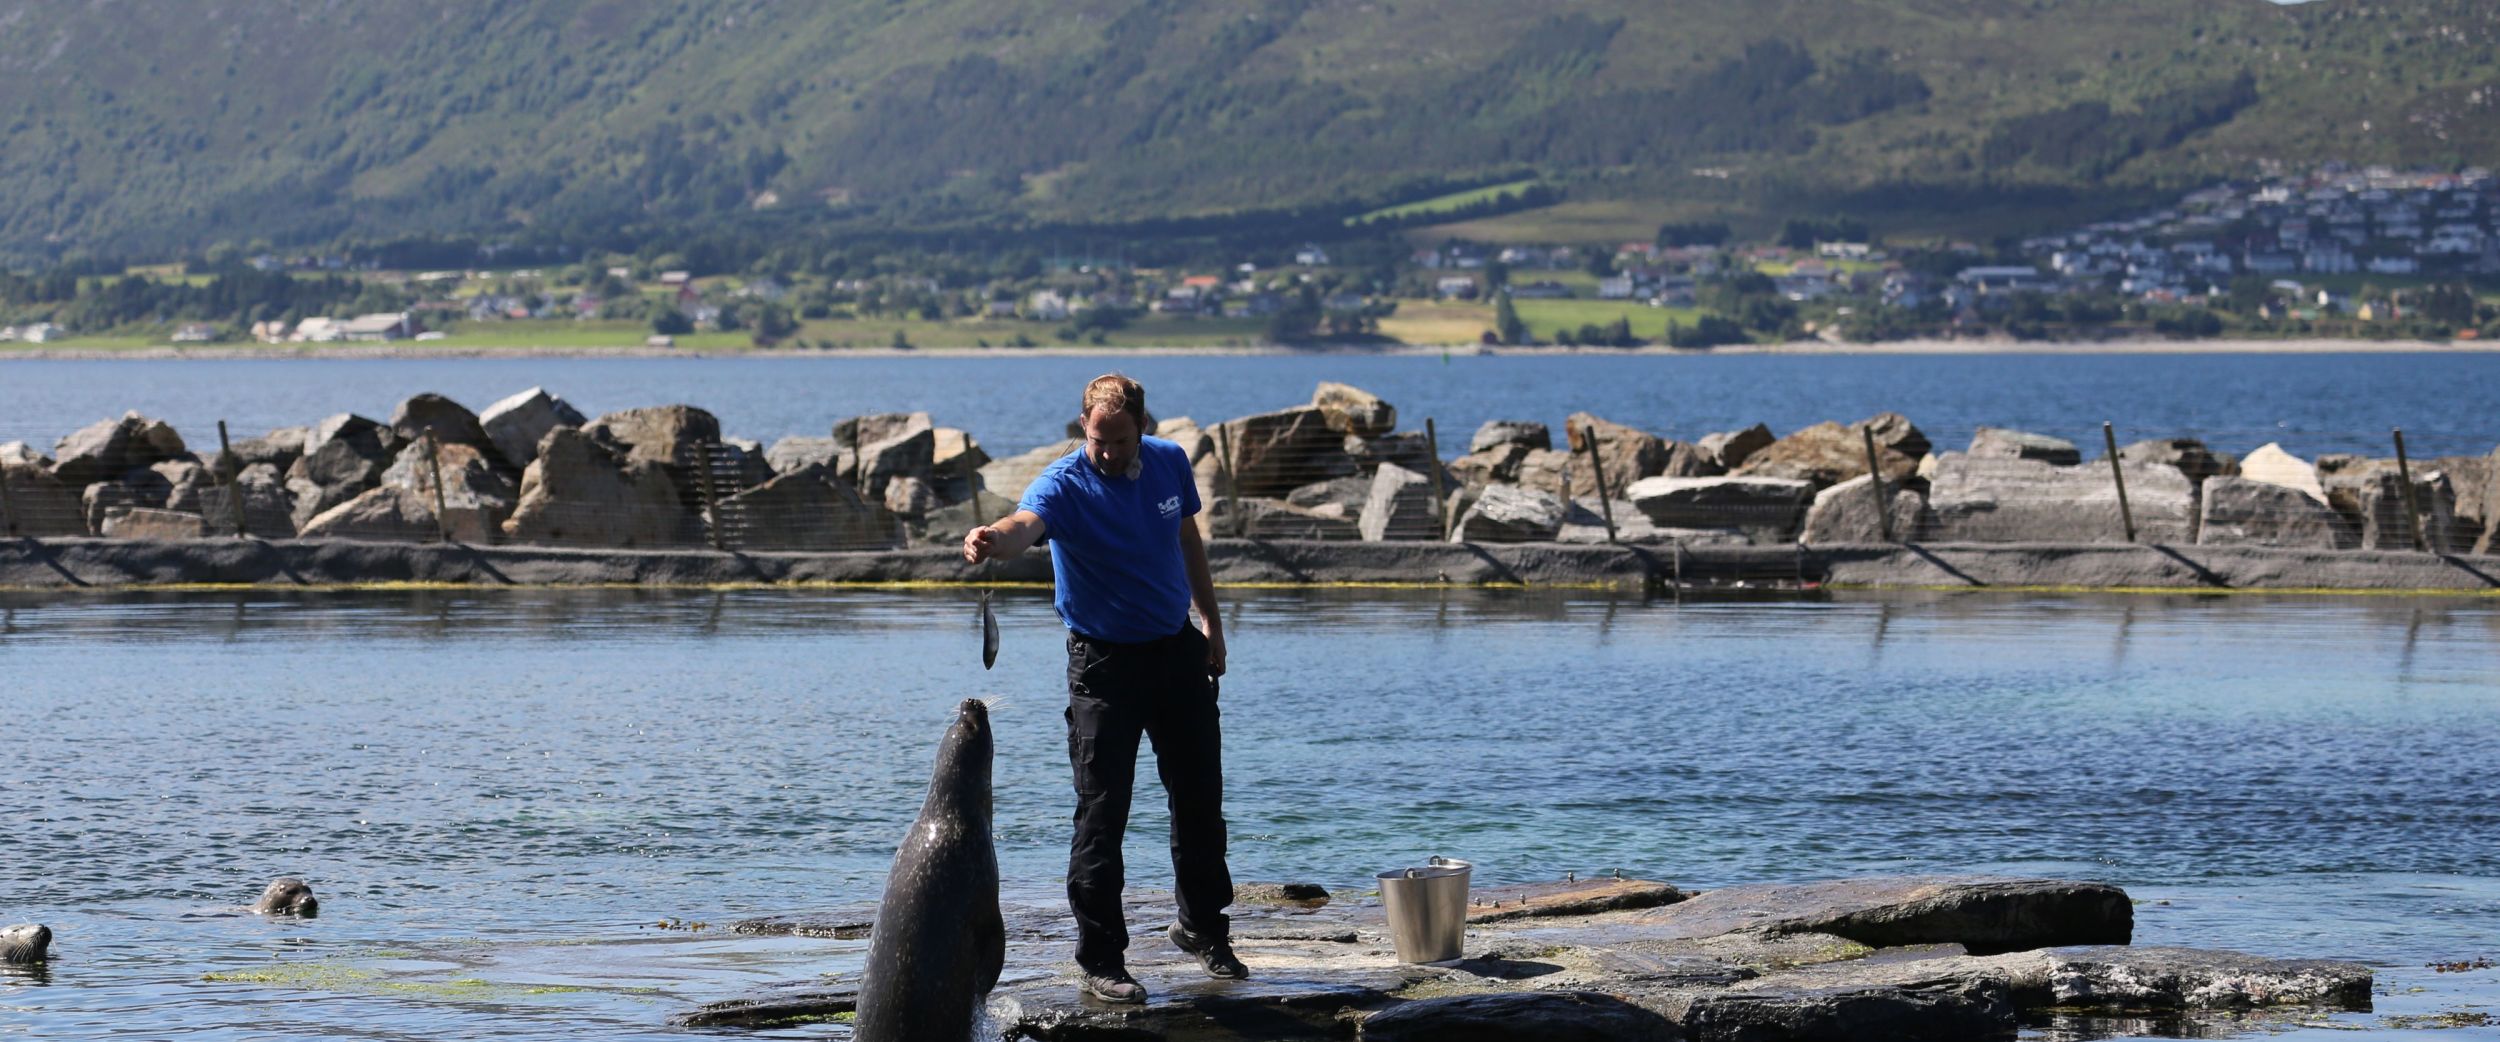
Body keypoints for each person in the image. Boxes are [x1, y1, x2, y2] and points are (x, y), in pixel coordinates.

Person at [961, 373, 1246, 1005]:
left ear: (1143, 428)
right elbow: (1023, 524)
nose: (1108, 452)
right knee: (1102, 814)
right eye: (1097, 440)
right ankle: (1101, 958)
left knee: (1200, 799)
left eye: (1119, 440)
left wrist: (1212, 624)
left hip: (1177, 650)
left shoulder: (1170, 461)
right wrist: (992, 541)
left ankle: (1202, 928)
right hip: (1103, 667)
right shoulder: (1065, 482)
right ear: (1082, 429)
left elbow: (1187, 540)